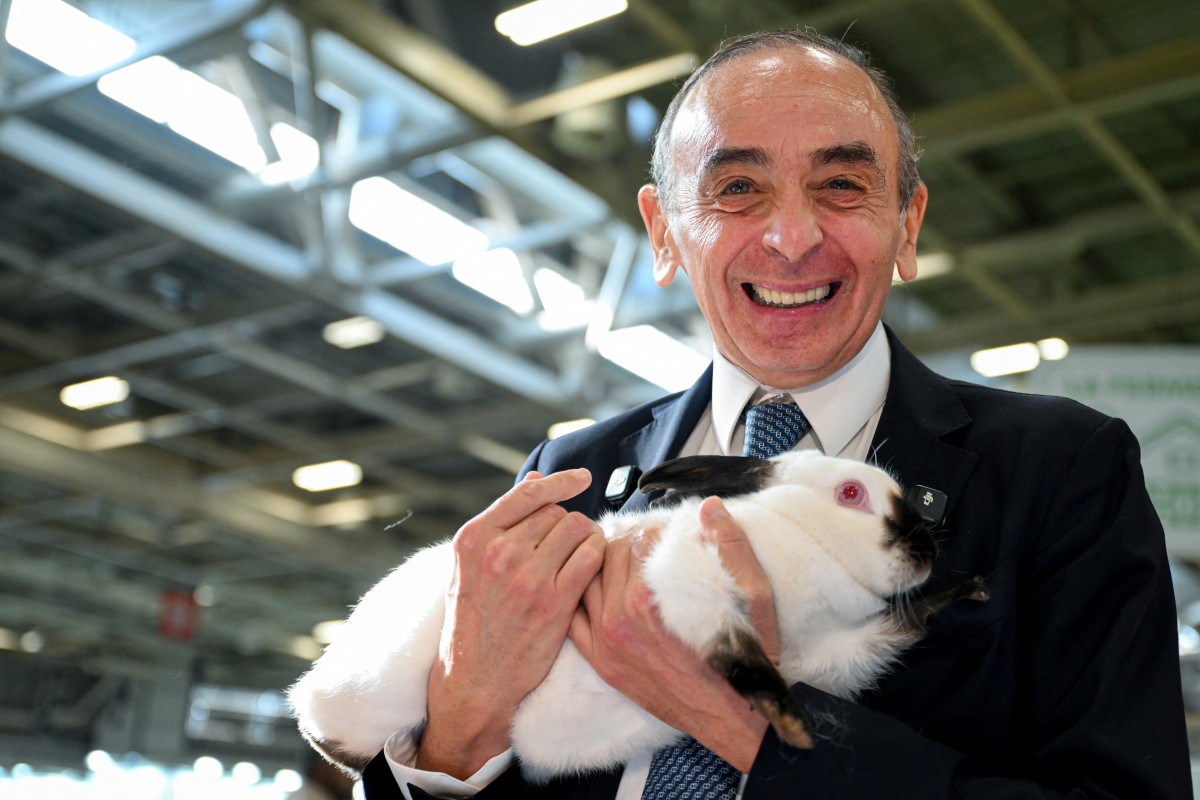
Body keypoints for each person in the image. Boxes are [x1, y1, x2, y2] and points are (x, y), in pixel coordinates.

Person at [339, 29, 1190, 798]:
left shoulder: (1060, 469)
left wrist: (748, 721)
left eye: (844, 185)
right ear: (664, 232)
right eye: (738, 186)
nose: (791, 237)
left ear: (908, 224)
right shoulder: (571, 476)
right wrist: (457, 727)